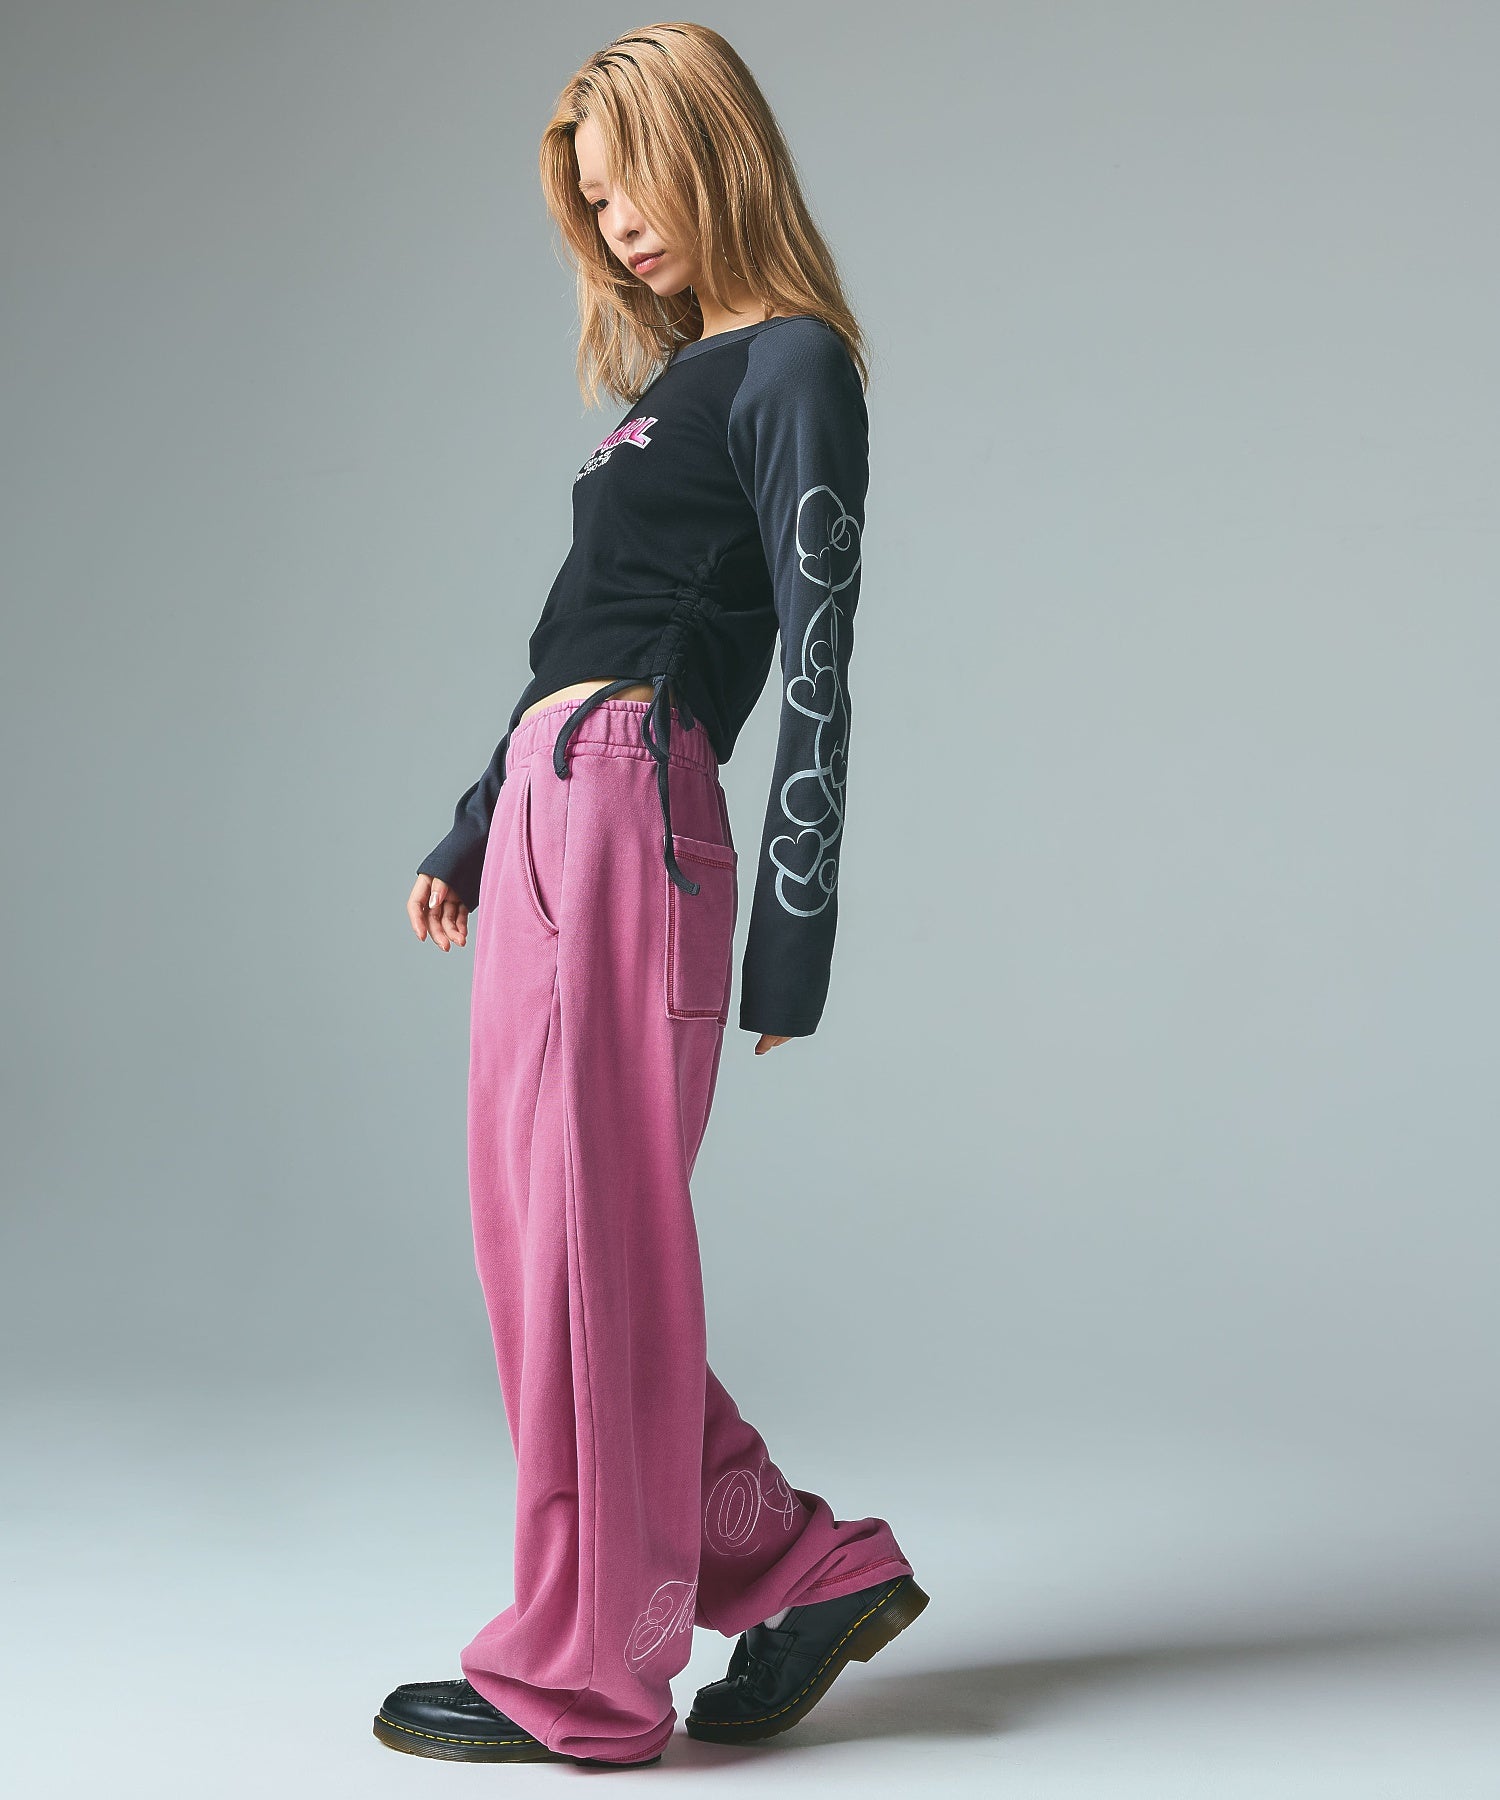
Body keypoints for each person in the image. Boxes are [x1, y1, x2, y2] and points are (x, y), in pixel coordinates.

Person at [372, 22, 927, 1770]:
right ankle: (804, 1567)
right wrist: (476, 825)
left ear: (713, 152)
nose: (616, 230)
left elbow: (820, 653)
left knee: (593, 1248)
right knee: (544, 1249)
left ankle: (587, 1674)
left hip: (631, 804)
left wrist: (794, 935)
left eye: (632, 188)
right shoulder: (670, 391)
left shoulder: (794, 365)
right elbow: (581, 633)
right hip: (558, 799)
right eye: (594, 207)